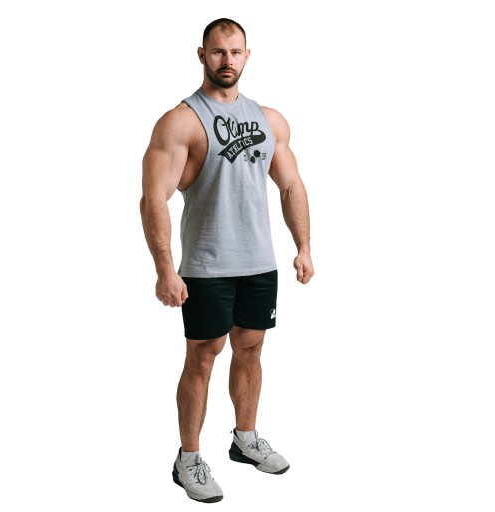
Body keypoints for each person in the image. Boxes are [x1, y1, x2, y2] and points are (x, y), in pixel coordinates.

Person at [140, 18, 314, 503]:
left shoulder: (269, 119)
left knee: (251, 349)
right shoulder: (180, 121)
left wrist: (303, 246)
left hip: (259, 262)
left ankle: (245, 438)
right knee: (203, 355)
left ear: (247, 56)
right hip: (206, 265)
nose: (227, 60)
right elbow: (153, 199)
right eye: (218, 52)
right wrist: (165, 269)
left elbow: (291, 185)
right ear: (202, 55)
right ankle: (189, 458)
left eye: (235, 52)